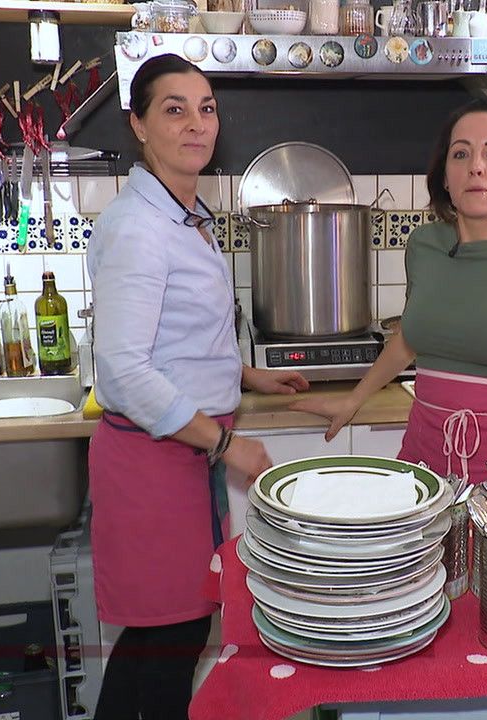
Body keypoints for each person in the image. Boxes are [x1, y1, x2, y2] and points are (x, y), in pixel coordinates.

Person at [86, 54, 308, 720]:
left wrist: (243, 374)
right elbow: (123, 371)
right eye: (174, 109)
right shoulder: (139, 229)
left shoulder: (184, 211)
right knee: (164, 643)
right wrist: (224, 445)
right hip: (158, 462)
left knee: (169, 640)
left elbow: (172, 339)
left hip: (182, 457)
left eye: (206, 108)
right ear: (139, 126)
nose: (196, 124)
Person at [292, 100, 487, 483]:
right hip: (424, 461)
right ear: (446, 176)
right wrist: (354, 398)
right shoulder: (423, 246)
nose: (476, 166)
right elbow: (409, 338)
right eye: (461, 153)